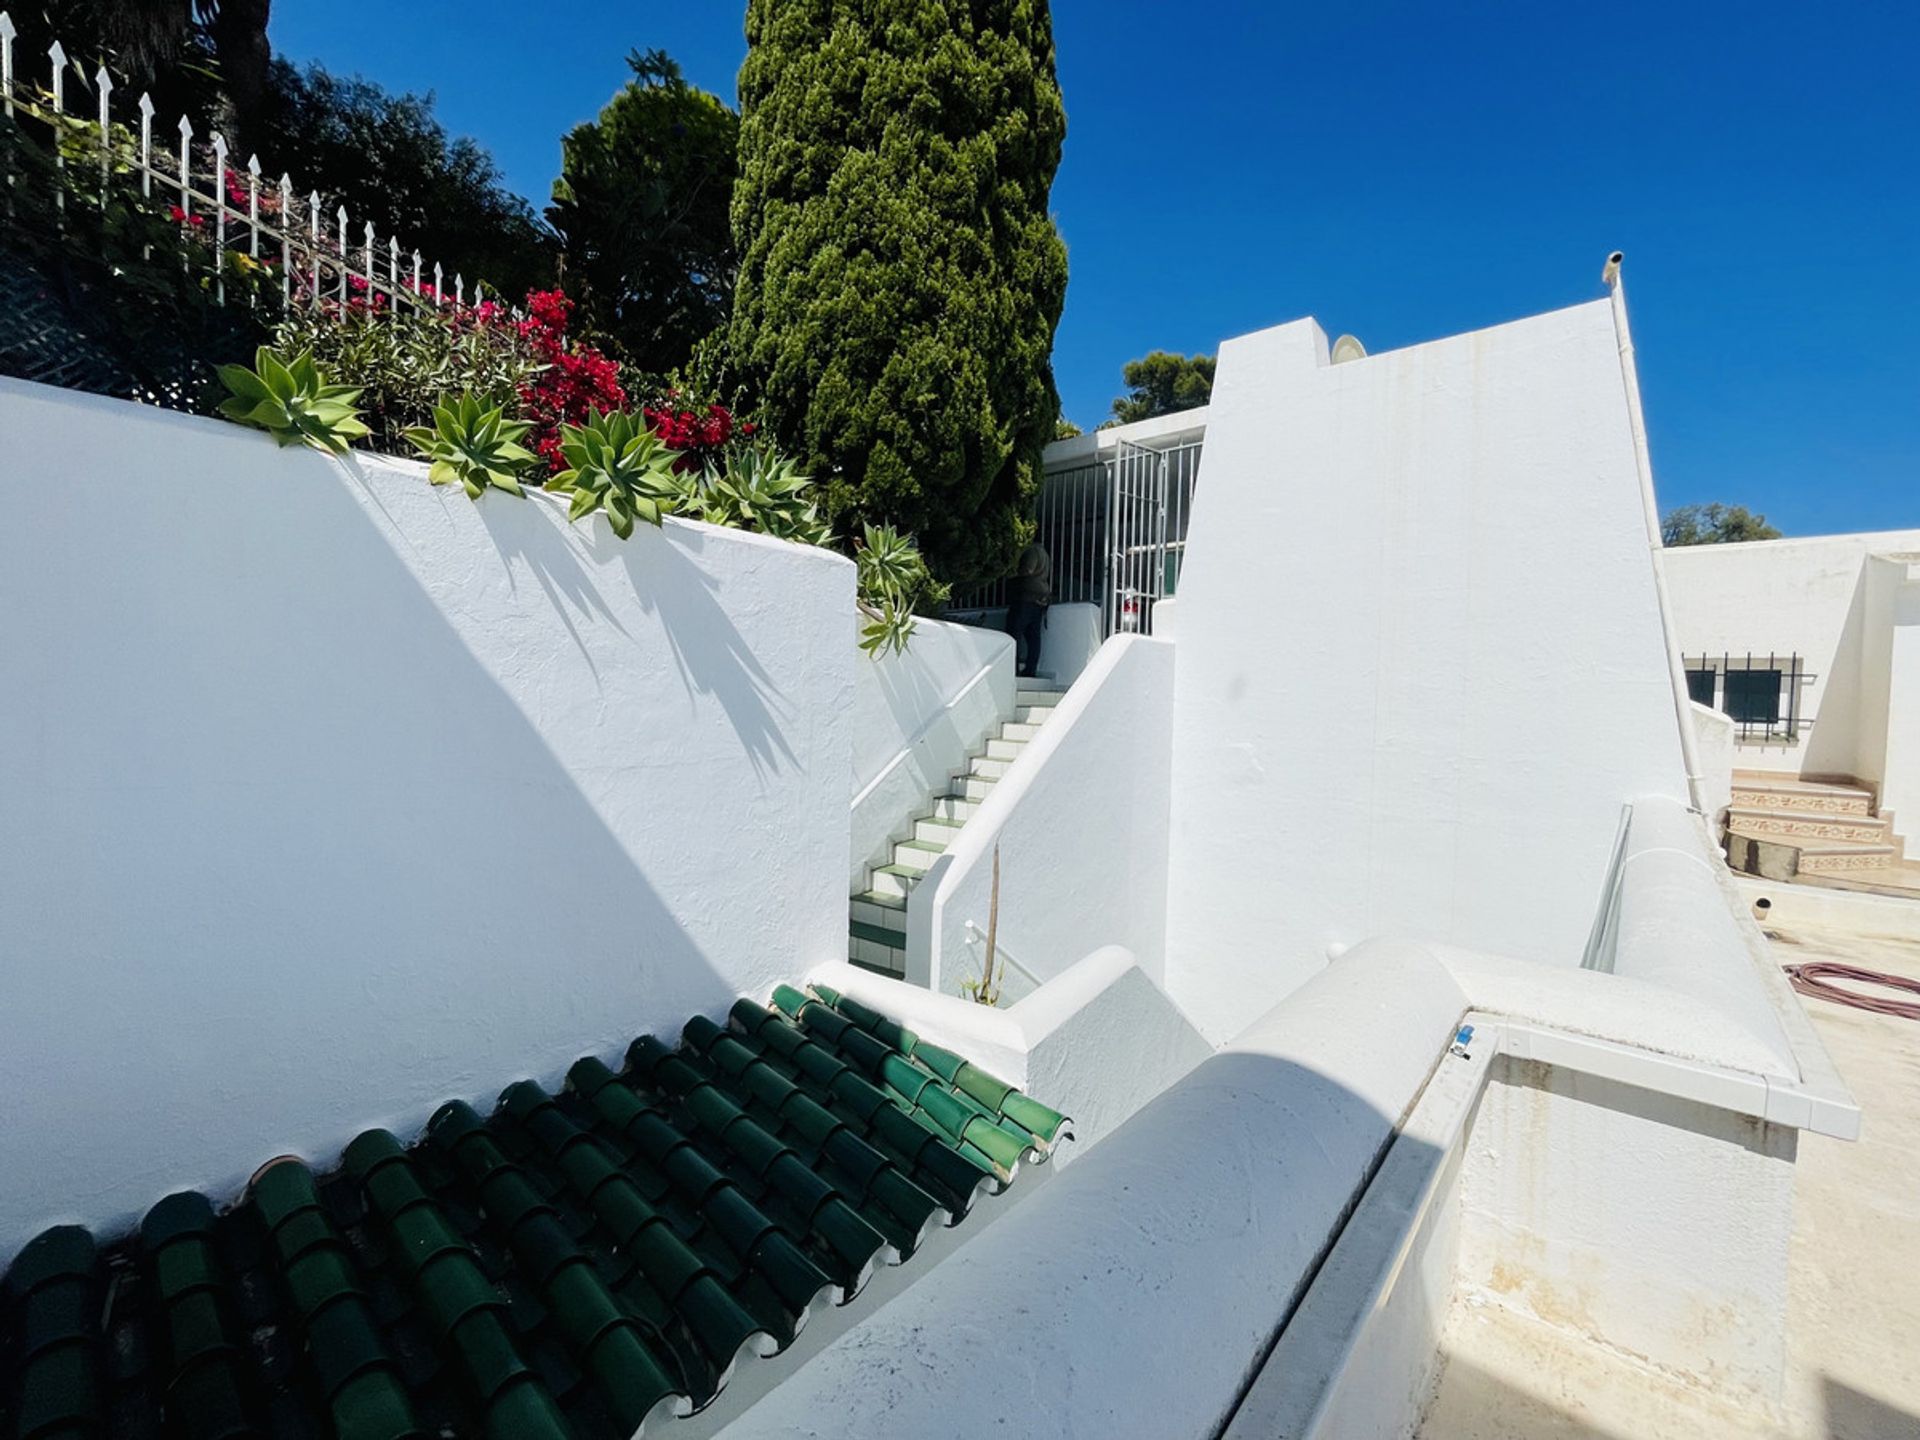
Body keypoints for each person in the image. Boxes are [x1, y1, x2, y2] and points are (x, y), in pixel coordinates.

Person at [1004, 540, 1051, 679]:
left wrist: (1011, 571)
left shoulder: (1031, 551)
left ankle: (1013, 668)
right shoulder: (1044, 553)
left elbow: (1027, 569)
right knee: (1034, 637)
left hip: (1026, 596)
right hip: (1040, 599)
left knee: (1014, 633)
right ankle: (1031, 669)